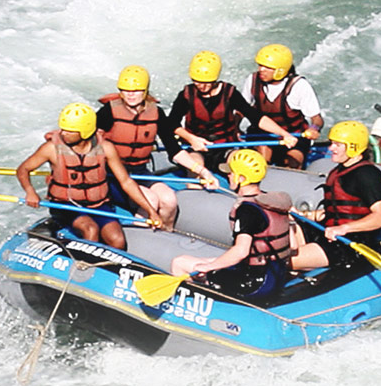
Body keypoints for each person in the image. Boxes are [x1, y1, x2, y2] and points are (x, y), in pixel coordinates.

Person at [16, 102, 160, 249]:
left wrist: (151, 211)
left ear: (85, 131)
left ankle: (108, 268)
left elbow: (126, 181)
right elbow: (23, 169)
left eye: (70, 131)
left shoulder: (106, 148)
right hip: (66, 206)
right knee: (91, 229)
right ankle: (84, 267)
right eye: (63, 129)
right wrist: (30, 191)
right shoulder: (51, 149)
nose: (63, 133)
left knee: (117, 240)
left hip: (98, 204)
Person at [169, 149, 303, 297]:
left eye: (231, 173)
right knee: (196, 261)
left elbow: (241, 251)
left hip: (253, 283)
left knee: (180, 263)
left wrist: (208, 267)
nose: (228, 176)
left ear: (241, 178)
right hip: (276, 275)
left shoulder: (247, 210)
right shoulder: (272, 202)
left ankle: (203, 305)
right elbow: (294, 245)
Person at [292, 120, 381, 271]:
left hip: (350, 240)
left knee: (286, 260)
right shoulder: (338, 171)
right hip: (327, 231)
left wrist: (344, 229)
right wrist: (304, 215)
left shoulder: (368, 175)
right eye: (332, 143)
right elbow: (338, 210)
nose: (331, 148)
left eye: (337, 145)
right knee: (276, 244)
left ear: (354, 147)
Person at [96, 65, 180, 227]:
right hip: (113, 176)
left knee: (169, 200)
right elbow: (89, 143)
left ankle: (167, 236)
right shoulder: (107, 112)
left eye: (136, 90)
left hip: (140, 172)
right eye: (126, 90)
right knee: (151, 200)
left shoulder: (157, 113)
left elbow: (173, 149)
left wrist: (201, 171)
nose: (131, 94)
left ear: (145, 91)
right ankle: (143, 234)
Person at [161, 51, 263, 185]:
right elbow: (171, 124)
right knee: (195, 169)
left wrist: (284, 135)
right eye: (197, 82)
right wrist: (192, 139)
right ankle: (194, 194)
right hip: (197, 148)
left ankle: (242, 198)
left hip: (226, 146)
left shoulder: (230, 93)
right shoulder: (186, 95)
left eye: (206, 82)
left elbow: (254, 116)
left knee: (241, 166)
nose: (201, 86)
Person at [243, 44, 324, 169]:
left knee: (293, 164)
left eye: (267, 67)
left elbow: (316, 118)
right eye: (260, 65)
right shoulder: (252, 80)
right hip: (263, 135)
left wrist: (314, 128)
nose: (261, 70)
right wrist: (235, 128)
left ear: (280, 70)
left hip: (294, 136)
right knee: (262, 158)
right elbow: (241, 109)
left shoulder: (299, 85)